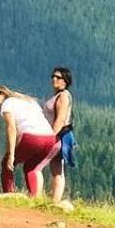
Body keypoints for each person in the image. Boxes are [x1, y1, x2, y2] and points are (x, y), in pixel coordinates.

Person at [0, 84, 58, 197]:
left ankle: (9, 194)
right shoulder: (28, 101)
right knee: (31, 167)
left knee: (6, 164)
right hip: (50, 138)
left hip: (33, 137)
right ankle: (35, 198)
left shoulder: (7, 104)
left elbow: (12, 129)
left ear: (0, 93)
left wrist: (11, 154)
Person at [41, 66, 75, 205]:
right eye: (53, 76)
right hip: (57, 135)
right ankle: (54, 200)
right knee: (55, 168)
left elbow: (60, 119)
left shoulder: (63, 96)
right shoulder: (58, 95)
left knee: (56, 168)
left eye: (58, 77)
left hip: (60, 135)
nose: (54, 79)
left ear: (65, 81)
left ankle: (55, 201)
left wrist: (51, 136)